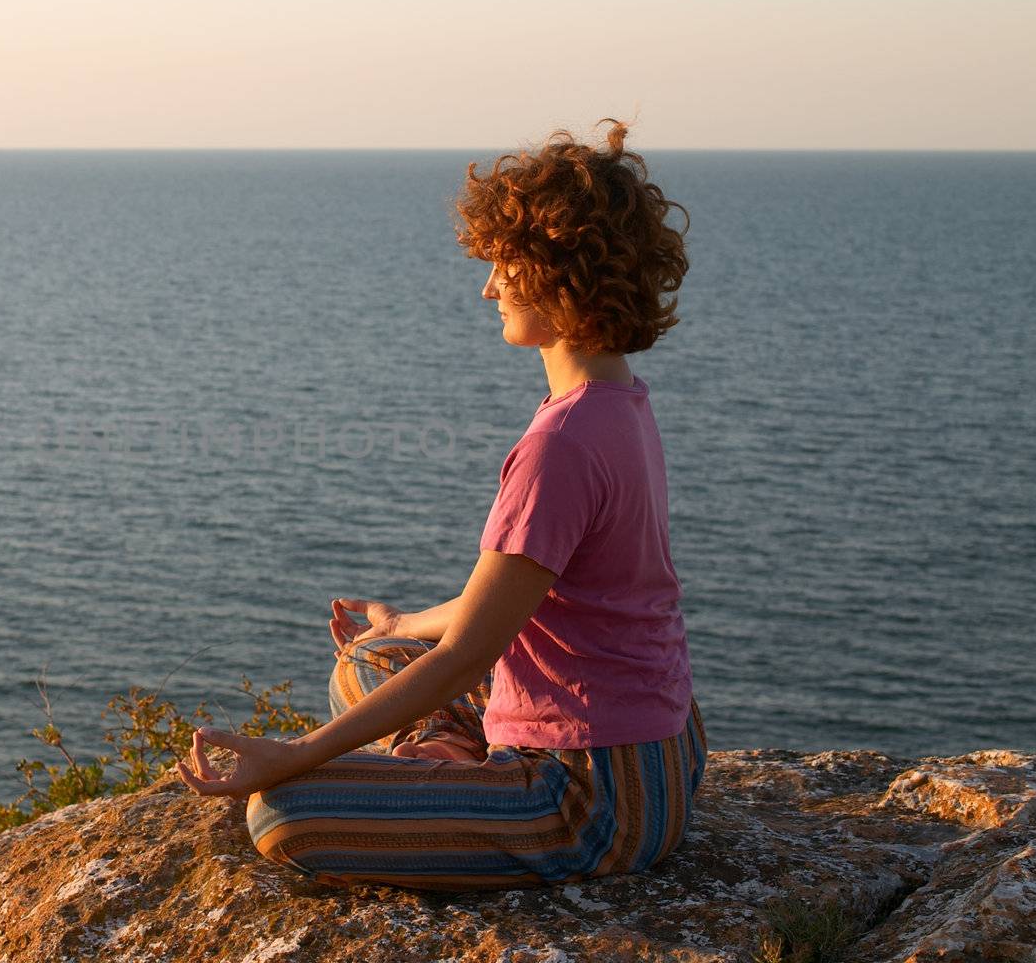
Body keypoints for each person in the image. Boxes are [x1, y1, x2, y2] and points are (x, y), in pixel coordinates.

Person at [175, 118, 707, 890]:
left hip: (592, 798)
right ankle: (448, 766)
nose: (488, 287)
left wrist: (294, 756)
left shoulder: (561, 443)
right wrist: (399, 625)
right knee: (370, 659)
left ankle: (455, 777)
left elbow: (470, 656)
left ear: (562, 273)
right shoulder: (618, 404)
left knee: (281, 814)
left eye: (504, 267)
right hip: (659, 752)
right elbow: (511, 603)